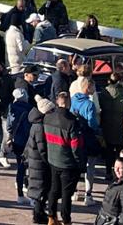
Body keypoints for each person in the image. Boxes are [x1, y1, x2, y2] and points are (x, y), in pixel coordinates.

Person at [39, 91, 89, 225]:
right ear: (69, 103)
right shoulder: (72, 122)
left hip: (53, 160)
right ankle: (66, 220)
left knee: (54, 189)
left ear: (57, 102)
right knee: (67, 194)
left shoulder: (47, 118)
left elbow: (45, 139)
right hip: (68, 163)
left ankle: (51, 217)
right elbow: (76, 147)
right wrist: (80, 163)